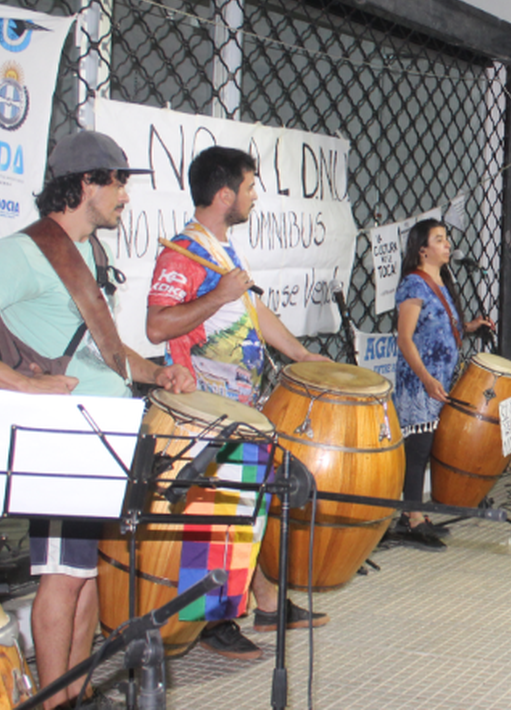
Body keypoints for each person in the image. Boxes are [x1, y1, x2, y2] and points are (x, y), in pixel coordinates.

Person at [0, 131, 196, 709]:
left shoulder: (95, 253)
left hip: (100, 426)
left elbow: (104, 351)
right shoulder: (20, 253)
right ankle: (55, 700)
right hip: (60, 434)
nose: (125, 194)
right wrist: (23, 383)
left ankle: (78, 688)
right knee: (62, 575)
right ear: (85, 183)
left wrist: (156, 374)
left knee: (87, 572)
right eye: (118, 181)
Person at [145, 146, 333, 658]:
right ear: (224, 194)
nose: (254, 197)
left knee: (250, 508)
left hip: (242, 404)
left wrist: (297, 353)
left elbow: (251, 308)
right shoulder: (183, 252)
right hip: (206, 409)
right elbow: (158, 324)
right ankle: (211, 622)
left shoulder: (222, 250)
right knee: (218, 515)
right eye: (250, 187)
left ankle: (267, 602)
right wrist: (219, 295)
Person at [390, 219, 494, 549]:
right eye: (439, 239)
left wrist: (468, 326)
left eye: (446, 239)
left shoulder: (441, 282)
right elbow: (406, 339)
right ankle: (410, 517)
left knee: (427, 447)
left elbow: (437, 328)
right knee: (418, 449)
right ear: (422, 250)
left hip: (439, 379)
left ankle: (417, 513)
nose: (447, 244)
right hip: (420, 381)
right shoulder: (413, 284)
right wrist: (425, 378)